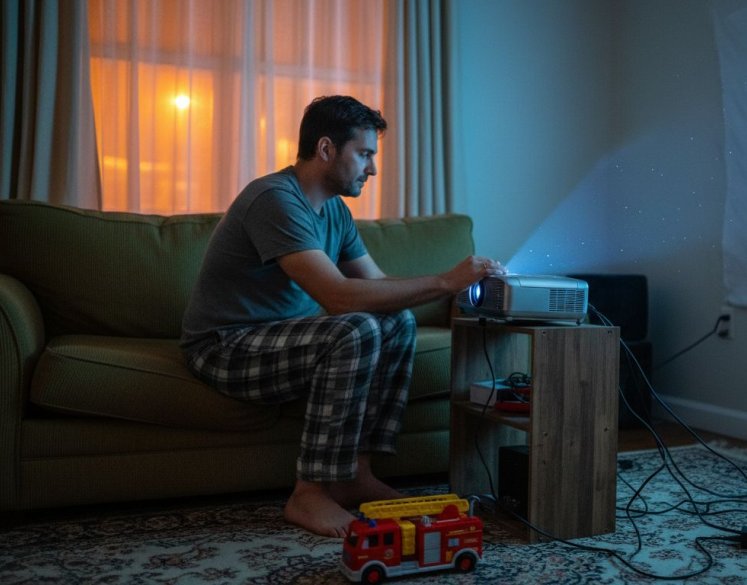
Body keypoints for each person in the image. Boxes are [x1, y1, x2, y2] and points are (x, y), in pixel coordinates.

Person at [180, 95, 505, 537]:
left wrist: (461, 287)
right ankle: (309, 494)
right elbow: (338, 297)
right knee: (352, 329)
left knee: (396, 322)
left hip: (281, 339)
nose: (372, 168)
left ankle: (354, 473)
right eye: (365, 154)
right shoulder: (274, 199)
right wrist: (444, 281)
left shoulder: (335, 210)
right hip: (223, 346)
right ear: (327, 149)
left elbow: (377, 285)